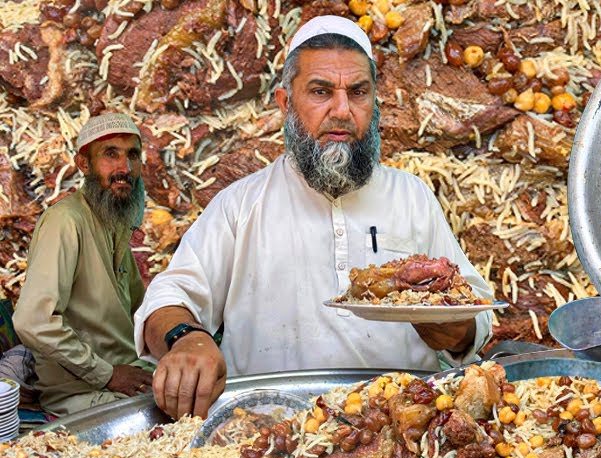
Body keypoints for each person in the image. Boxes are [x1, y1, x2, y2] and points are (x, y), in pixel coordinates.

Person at [135, 16, 494, 419]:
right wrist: (186, 338)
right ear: (286, 103)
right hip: (274, 430)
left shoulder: (411, 196)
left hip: (401, 426)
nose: (342, 111)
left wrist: (454, 329)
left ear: (374, 103)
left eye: (358, 93)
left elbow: (475, 315)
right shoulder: (240, 204)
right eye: (321, 92)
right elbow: (168, 299)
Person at [14, 113, 152, 417]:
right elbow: (32, 321)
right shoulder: (65, 221)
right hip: (83, 392)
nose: (124, 169)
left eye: (132, 155)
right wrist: (107, 374)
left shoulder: (115, 221)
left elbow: (140, 310)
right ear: (84, 164)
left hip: (126, 375)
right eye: (110, 154)